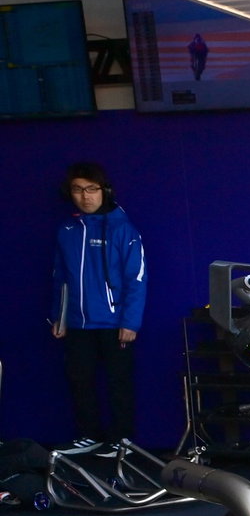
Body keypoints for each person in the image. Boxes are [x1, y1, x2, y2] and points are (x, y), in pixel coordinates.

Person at [49, 162, 147, 455]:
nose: (85, 196)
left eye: (91, 189)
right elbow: (60, 278)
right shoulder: (66, 230)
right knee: (80, 381)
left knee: (119, 383)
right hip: (78, 323)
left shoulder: (122, 228)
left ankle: (123, 440)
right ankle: (89, 435)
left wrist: (130, 322)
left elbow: (137, 278)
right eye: (78, 189)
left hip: (115, 322)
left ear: (105, 191)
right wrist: (58, 317)